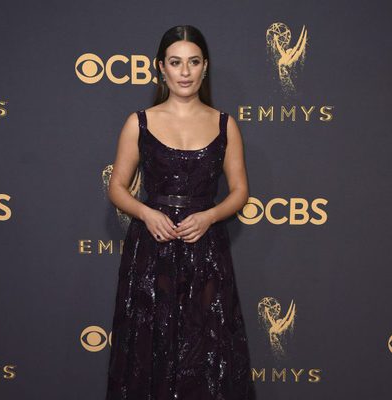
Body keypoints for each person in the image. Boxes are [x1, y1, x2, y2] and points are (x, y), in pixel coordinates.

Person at [105, 25, 255, 400]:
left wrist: (209, 216)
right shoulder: (138, 122)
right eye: (176, 63)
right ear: (161, 68)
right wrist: (146, 213)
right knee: (149, 344)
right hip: (152, 250)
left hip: (205, 250)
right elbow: (117, 188)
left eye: (193, 62)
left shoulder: (225, 124)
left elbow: (239, 193)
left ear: (205, 68)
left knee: (206, 347)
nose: (184, 72)